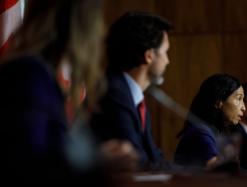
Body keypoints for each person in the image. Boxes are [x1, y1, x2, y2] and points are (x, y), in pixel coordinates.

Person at [0, 0, 136, 184]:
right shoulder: (29, 75)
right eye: (96, 20)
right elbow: (28, 167)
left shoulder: (45, 76)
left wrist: (99, 154)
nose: (101, 31)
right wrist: (97, 161)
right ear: (80, 25)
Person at [90, 11, 172, 169]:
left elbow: (154, 158)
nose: (167, 61)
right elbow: (137, 160)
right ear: (149, 56)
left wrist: (202, 170)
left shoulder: (132, 97)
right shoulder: (113, 93)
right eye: (165, 52)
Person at [174, 74, 246, 168]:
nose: (243, 107)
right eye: (239, 98)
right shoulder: (200, 132)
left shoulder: (217, 131)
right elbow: (216, 169)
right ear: (218, 101)